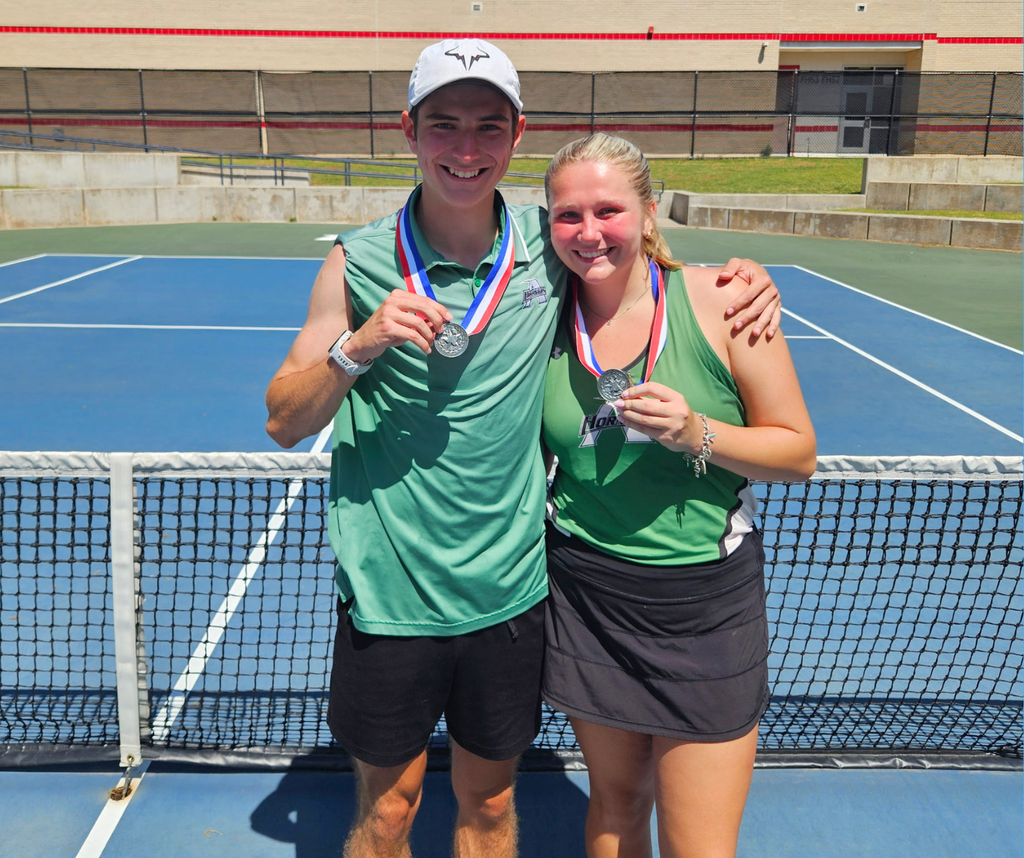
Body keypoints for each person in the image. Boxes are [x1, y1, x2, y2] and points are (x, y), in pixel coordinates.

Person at [265, 39, 783, 858]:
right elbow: (283, 421)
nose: (465, 150)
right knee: (390, 811)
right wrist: (357, 346)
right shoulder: (357, 261)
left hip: (512, 594)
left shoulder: (553, 244)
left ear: (515, 135)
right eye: (443, 125)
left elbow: (631, 260)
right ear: (408, 130)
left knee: (494, 805)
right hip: (389, 595)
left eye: (486, 127)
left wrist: (742, 277)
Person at [541, 133, 816, 858]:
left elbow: (797, 453)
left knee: (698, 845)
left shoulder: (725, 302)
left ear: (649, 213)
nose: (589, 232)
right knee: (615, 808)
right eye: (568, 215)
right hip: (587, 596)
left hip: (704, 608)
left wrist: (698, 431)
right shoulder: (538, 313)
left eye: (609, 209)